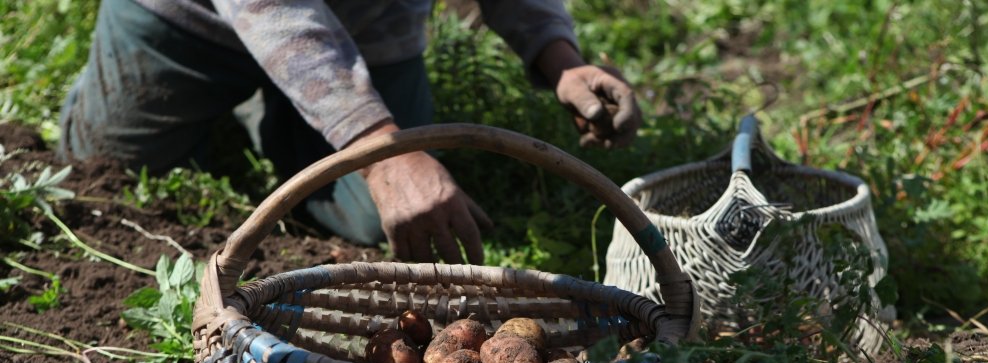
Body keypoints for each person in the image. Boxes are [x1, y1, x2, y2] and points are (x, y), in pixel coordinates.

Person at [59, 0, 642, 265]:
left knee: (383, 221)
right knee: (102, 174)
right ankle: (299, 102)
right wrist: (384, 153)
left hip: (370, 27)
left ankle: (285, 113)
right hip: (194, 21)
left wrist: (557, 55)